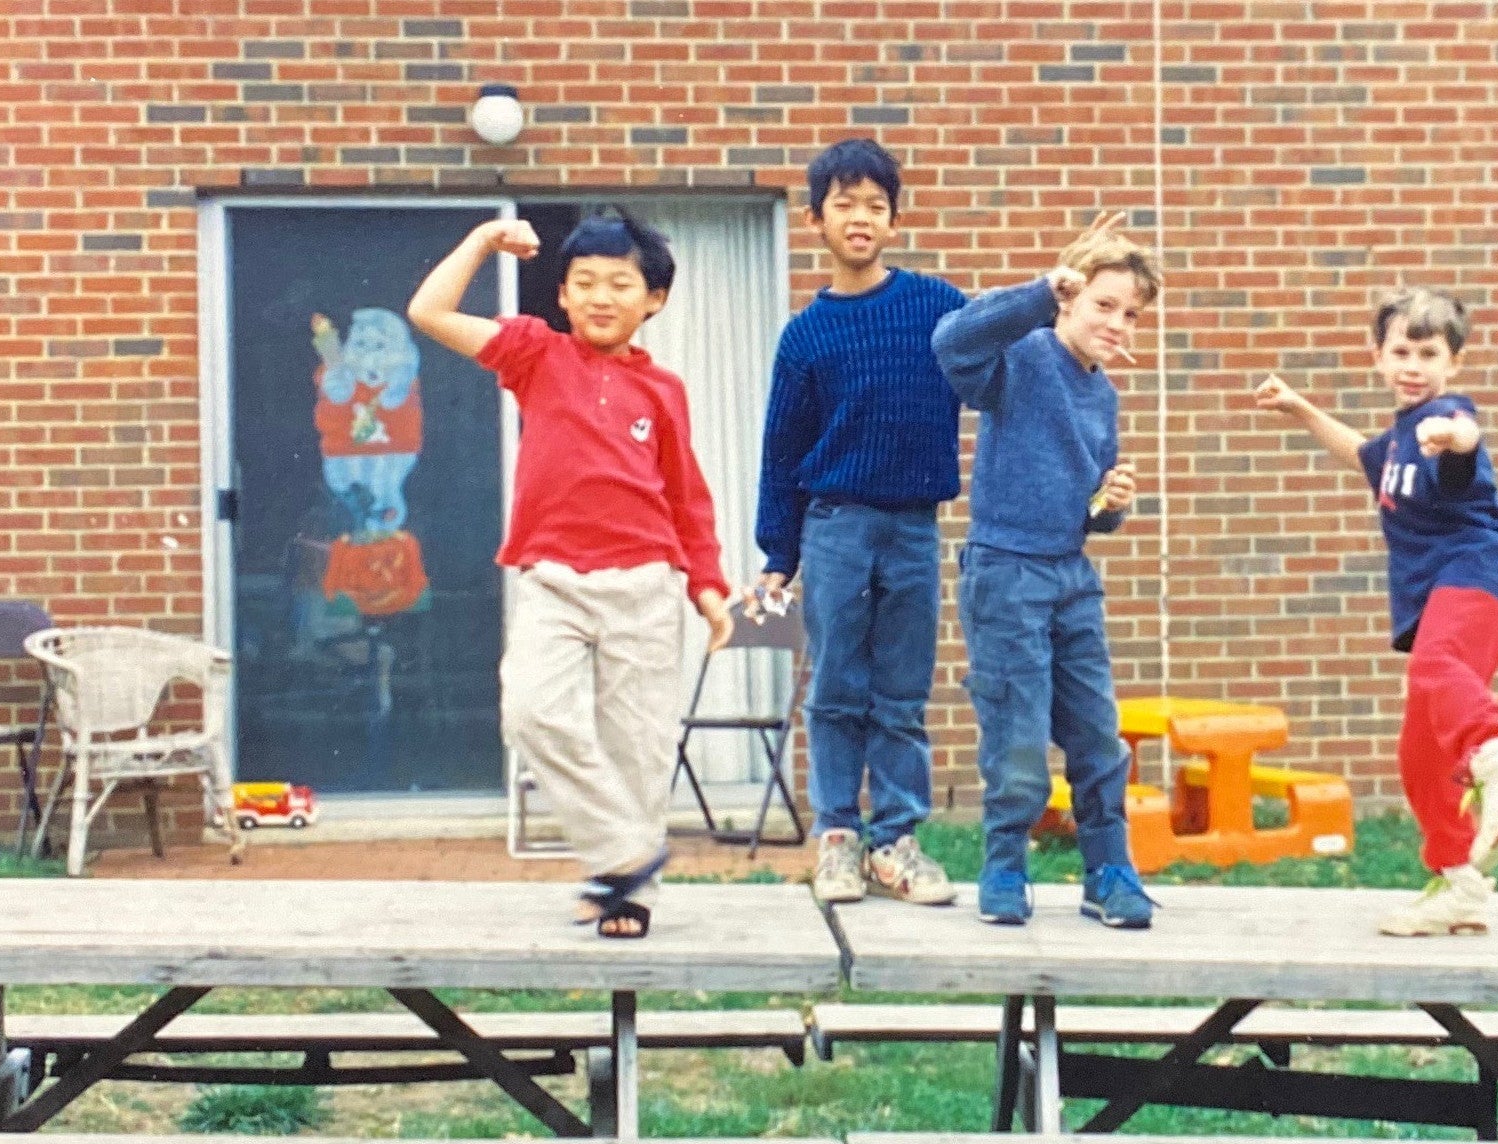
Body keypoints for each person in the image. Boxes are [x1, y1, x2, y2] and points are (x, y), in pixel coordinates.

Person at [408, 209, 734, 938]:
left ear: (654, 300)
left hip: (645, 583)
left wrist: (706, 587)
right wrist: (484, 241)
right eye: (584, 282)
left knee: (637, 742)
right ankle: (625, 852)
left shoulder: (665, 392)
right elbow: (428, 311)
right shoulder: (535, 355)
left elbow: (687, 495)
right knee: (531, 709)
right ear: (559, 296)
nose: (600, 296)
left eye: (621, 283)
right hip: (553, 580)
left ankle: (626, 892)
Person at [1255, 287, 1498, 937]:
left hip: (1476, 577)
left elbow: (1464, 439)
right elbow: (1361, 455)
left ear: (1454, 363)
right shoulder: (1394, 442)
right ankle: (1460, 882)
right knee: (1418, 752)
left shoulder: (1444, 418)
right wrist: (1303, 409)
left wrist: (1452, 436)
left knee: (1434, 665)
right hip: (1444, 594)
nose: (1413, 364)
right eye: (1401, 351)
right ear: (1378, 356)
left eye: (1428, 352)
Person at [749, 139, 969, 908]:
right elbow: (782, 450)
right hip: (833, 527)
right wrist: (778, 553)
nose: (860, 217)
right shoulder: (804, 336)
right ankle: (837, 838)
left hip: (914, 526)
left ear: (893, 219)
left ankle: (897, 842)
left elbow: (1003, 349)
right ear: (816, 219)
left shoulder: (939, 307)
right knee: (838, 685)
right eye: (844, 203)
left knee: (902, 691)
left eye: (875, 204)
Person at [932, 212, 1157, 929]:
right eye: (1103, 305)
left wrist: (1110, 505)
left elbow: (1087, 506)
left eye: (1131, 313)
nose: (1117, 323)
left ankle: (1108, 868)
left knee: (1096, 734)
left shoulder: (1103, 394)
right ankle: (1003, 863)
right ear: (1067, 296)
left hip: (1070, 578)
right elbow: (952, 341)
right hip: (1005, 575)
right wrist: (1037, 291)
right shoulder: (1021, 357)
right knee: (1018, 738)